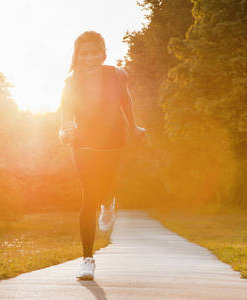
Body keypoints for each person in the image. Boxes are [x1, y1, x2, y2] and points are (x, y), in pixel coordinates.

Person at [58, 31, 147, 280]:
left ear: (103, 54)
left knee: (106, 187)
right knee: (88, 196)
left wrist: (134, 126)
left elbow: (125, 101)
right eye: (84, 53)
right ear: (78, 55)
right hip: (83, 143)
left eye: (94, 52)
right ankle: (87, 259)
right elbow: (65, 110)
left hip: (112, 141)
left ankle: (108, 203)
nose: (89, 58)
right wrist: (64, 130)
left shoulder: (117, 75)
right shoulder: (71, 81)